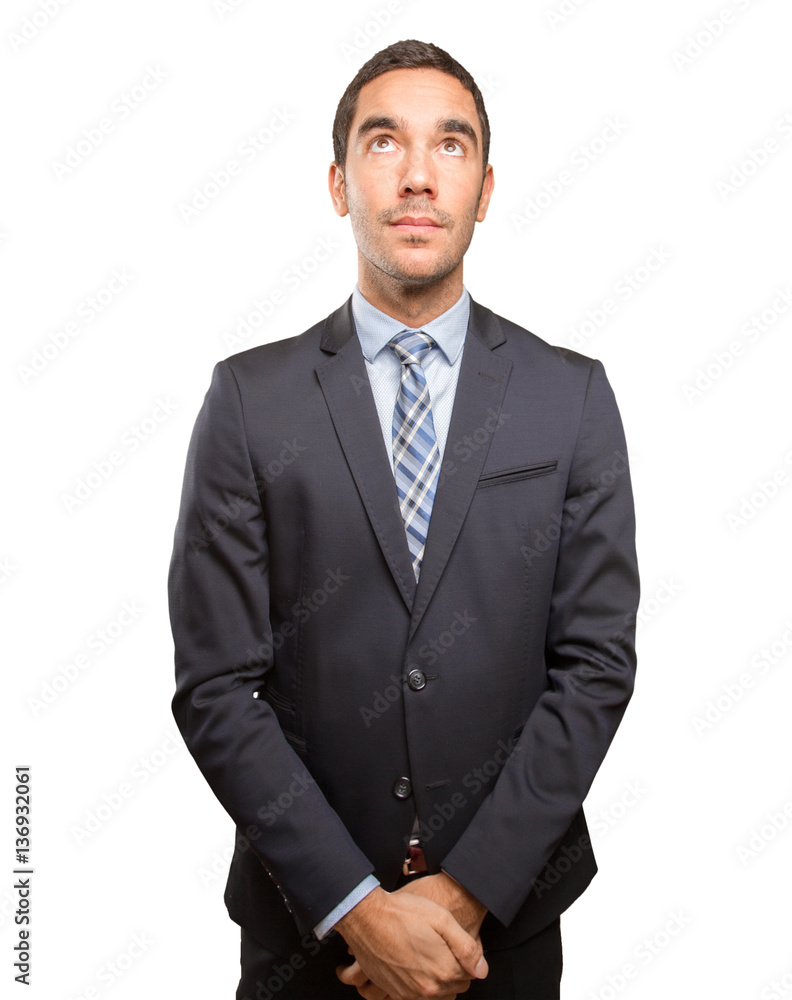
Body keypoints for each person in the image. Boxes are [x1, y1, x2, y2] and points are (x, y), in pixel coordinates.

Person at [168, 38, 640, 1000]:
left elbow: (595, 666)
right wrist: (358, 909)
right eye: (384, 142)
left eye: (451, 145)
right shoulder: (250, 402)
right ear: (338, 184)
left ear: (486, 188)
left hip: (501, 939)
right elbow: (216, 686)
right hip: (307, 941)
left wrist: (466, 898)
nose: (418, 175)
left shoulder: (571, 398)